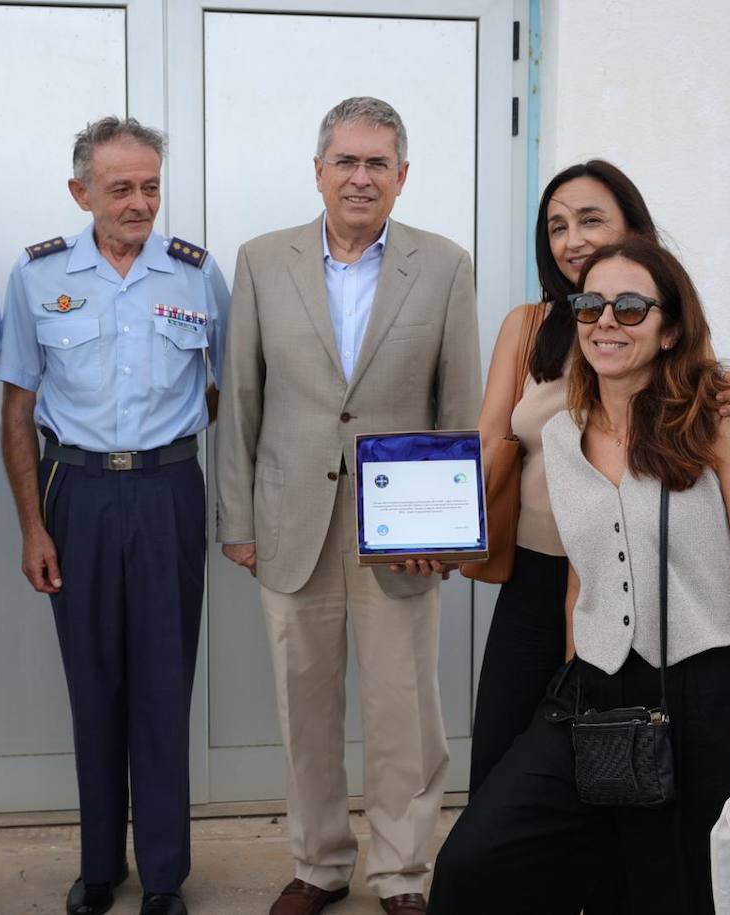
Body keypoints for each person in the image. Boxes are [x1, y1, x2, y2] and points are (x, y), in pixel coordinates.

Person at [429, 237, 730, 913]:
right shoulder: (564, 436)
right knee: (474, 859)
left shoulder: (720, 428)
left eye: (630, 308)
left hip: (702, 691)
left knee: (674, 887)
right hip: (593, 690)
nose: (605, 320)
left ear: (670, 328)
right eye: (591, 304)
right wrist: (574, 675)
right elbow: (582, 572)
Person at [215, 96, 480, 915]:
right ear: (319, 170)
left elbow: (458, 405)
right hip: (291, 522)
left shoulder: (444, 266)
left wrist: (452, 528)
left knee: (405, 710)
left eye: (378, 163)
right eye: (346, 161)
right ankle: (320, 863)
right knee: (306, 706)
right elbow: (243, 400)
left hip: (401, 533)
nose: (360, 177)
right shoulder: (263, 260)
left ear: (403, 176)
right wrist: (237, 520)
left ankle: (402, 870)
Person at [0, 117, 229, 915]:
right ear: (80, 191)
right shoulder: (37, 276)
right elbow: (17, 409)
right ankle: (100, 866)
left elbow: (228, 391)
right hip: (78, 493)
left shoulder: (196, 275)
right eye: (120, 187)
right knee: (93, 684)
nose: (138, 202)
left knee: (165, 683)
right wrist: (32, 524)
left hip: (167, 491)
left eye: (150, 185)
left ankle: (162, 872)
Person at [468, 160, 730, 795]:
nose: (571, 238)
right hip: (536, 570)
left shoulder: (660, 323)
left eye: (590, 220)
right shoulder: (527, 328)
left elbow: (705, 403)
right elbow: (488, 444)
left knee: (623, 762)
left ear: (633, 227)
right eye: (556, 226)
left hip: (629, 591)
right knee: (502, 760)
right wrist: (433, 534)